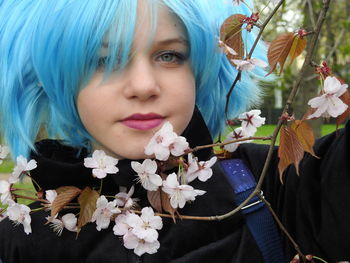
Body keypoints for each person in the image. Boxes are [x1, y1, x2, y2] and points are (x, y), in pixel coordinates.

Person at [0, 0, 349, 262]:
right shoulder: (21, 236)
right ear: (60, 80)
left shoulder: (276, 183)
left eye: (169, 55)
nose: (142, 86)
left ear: (199, 69)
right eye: (103, 59)